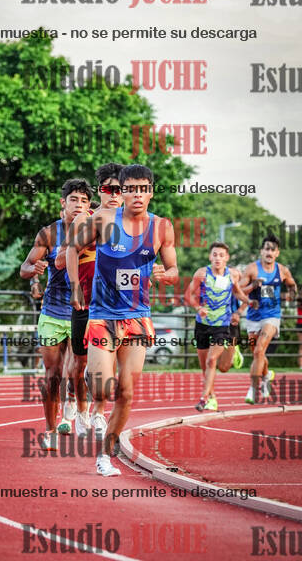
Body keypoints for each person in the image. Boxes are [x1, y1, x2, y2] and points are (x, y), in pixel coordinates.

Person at [67, 164, 178, 476]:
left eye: (144, 189)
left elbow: (173, 270)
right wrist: (75, 286)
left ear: (151, 192)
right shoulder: (102, 220)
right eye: (131, 189)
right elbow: (73, 249)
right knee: (102, 389)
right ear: (123, 192)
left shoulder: (162, 227)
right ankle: (91, 381)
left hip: (137, 317)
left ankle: (105, 456)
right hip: (102, 315)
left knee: (126, 392)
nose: (137, 195)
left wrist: (165, 275)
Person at [20, 179, 92, 449]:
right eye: (74, 200)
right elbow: (25, 267)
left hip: (81, 310)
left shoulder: (96, 230)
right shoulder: (49, 233)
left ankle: (78, 409)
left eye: (84, 201)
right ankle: (50, 431)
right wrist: (34, 271)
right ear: (63, 202)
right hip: (52, 311)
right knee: (53, 375)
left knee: (78, 371)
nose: (79, 205)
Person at [55, 163, 124, 439]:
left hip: (115, 305)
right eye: (109, 189)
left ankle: (99, 413)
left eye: (120, 189)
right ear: (101, 190)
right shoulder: (86, 220)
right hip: (85, 302)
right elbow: (61, 260)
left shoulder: (131, 223)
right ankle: (80, 409)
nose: (115, 194)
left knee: (109, 359)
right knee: (79, 363)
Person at [185, 243, 256, 412]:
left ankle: (203, 398)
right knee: (204, 365)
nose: (218, 258)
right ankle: (212, 397)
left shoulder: (233, 274)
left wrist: (248, 302)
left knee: (211, 360)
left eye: (221, 255)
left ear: (227, 258)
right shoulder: (201, 273)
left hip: (222, 324)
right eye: (215, 254)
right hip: (202, 324)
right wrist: (198, 308)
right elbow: (188, 295)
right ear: (210, 256)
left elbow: (237, 292)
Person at [240, 235, 298, 404]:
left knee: (259, 351)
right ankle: (267, 375)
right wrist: (253, 285)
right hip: (253, 316)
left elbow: (292, 285)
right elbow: (239, 290)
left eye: (273, 250)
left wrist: (291, 294)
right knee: (257, 353)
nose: (269, 252)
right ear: (261, 251)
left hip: (272, 316)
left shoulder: (282, 270)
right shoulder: (252, 269)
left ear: (277, 253)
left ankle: (253, 390)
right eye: (267, 249)